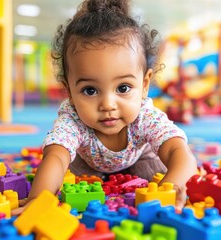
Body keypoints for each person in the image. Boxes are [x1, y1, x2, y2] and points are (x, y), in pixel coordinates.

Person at [13, 0, 197, 215]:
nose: (108, 104)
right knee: (68, 182)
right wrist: (39, 198)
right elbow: (56, 155)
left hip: (140, 158)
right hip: (87, 165)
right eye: (90, 90)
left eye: (123, 87)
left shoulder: (146, 116)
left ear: (144, 85)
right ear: (70, 92)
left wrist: (173, 186)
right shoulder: (73, 120)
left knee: (154, 173)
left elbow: (179, 152)